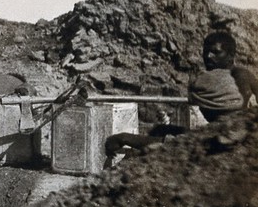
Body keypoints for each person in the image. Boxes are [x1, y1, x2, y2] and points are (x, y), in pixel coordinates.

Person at [105, 30, 258, 155]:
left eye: (216, 52)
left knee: (176, 141)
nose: (208, 56)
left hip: (229, 138)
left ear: (231, 56)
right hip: (216, 133)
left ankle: (123, 139)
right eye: (206, 52)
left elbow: (232, 116)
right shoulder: (206, 81)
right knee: (164, 130)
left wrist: (126, 138)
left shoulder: (240, 75)